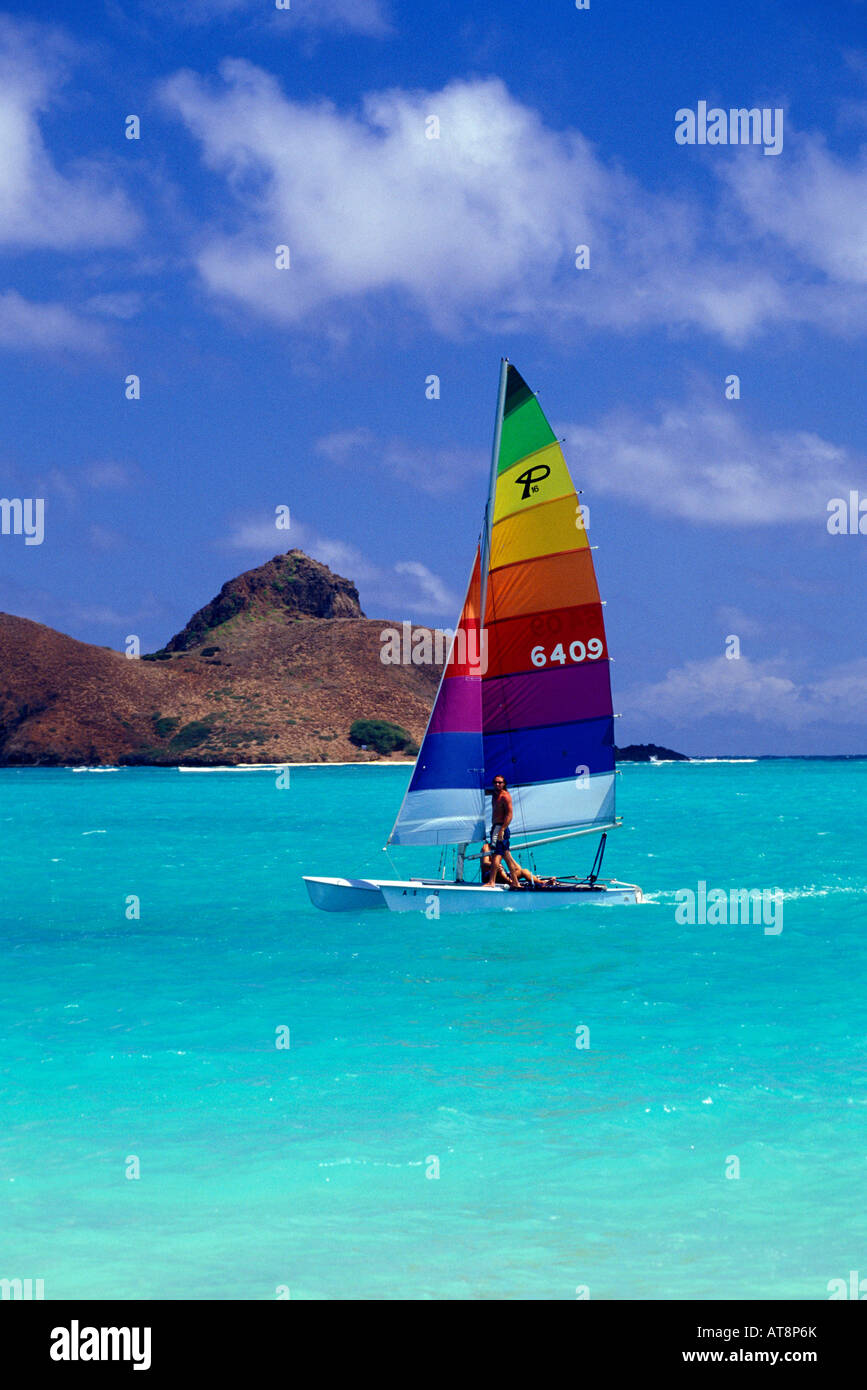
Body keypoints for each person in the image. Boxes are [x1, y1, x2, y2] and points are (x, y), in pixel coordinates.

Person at [483, 774, 521, 888]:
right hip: (496, 827)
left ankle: (492, 881)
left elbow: (509, 815)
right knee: (507, 855)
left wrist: (502, 830)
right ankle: (515, 882)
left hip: (500, 828)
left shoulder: (505, 796)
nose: (497, 784)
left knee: (496, 854)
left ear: (504, 784)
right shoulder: (494, 794)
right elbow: (483, 792)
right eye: (495, 782)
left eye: (500, 782)